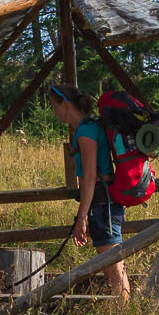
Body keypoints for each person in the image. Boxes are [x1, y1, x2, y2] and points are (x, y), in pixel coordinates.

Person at [46, 83, 130, 300]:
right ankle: (126, 314)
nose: (54, 113)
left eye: (54, 107)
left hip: (103, 204)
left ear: (64, 103)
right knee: (113, 263)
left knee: (112, 265)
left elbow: (90, 177)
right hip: (104, 202)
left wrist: (81, 218)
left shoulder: (85, 133)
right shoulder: (88, 128)